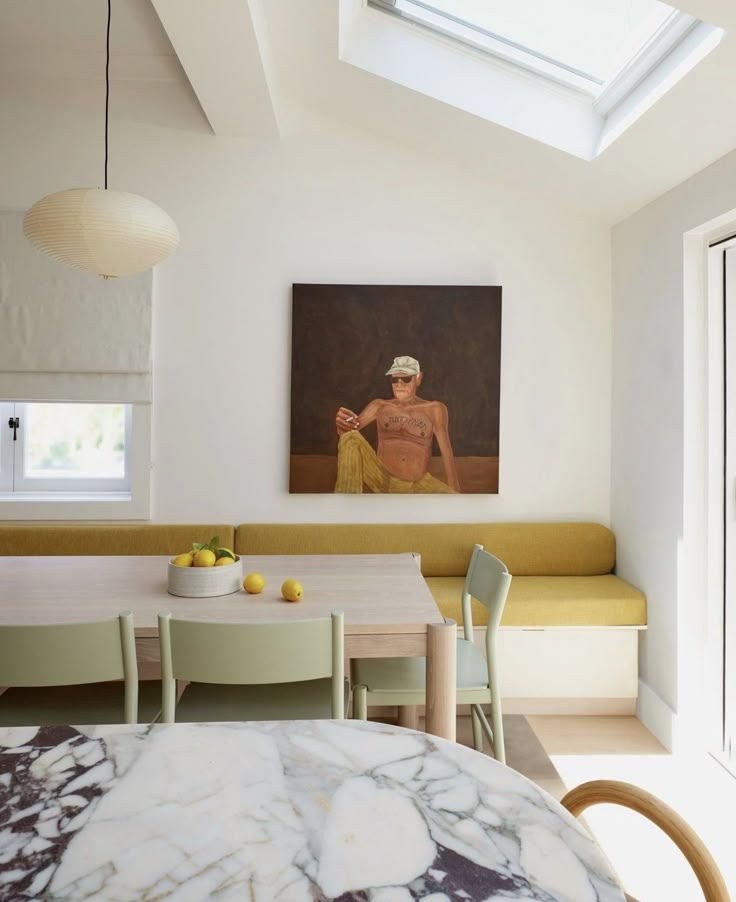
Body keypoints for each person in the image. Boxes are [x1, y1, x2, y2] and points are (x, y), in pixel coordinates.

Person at [334, 355, 460, 493]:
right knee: (350, 438)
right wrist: (342, 422)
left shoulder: (435, 409)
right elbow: (347, 431)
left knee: (451, 498)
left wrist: (455, 493)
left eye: (406, 379)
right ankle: (346, 504)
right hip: (382, 479)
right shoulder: (379, 406)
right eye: (395, 380)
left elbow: (447, 454)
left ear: (418, 378)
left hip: (418, 484)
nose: (400, 384)